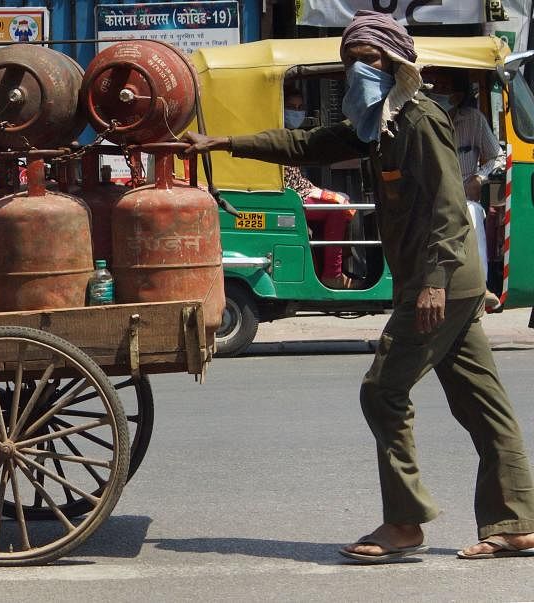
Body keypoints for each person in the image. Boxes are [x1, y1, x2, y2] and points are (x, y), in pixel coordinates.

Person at [182, 11, 534, 562]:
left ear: (395, 63)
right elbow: (309, 144)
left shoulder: (418, 120)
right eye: (351, 63)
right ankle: (516, 522)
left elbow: (447, 207)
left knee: (383, 391)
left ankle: (404, 523)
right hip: (444, 280)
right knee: (483, 403)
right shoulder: (379, 123)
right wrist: (224, 141)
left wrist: (434, 284)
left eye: (367, 60)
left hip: (437, 279)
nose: (357, 72)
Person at [427, 69, 504, 310]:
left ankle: (481, 287)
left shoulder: (474, 120)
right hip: (430, 196)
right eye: (435, 85)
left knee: (471, 214)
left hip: (463, 195)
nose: (437, 91)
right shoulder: (423, 120)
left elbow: (497, 157)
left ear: (458, 95)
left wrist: (479, 179)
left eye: (444, 87)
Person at [283, 90, 361, 290]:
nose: (296, 112)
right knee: (338, 208)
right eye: (292, 107)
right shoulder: (280, 134)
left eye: (300, 108)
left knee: (342, 200)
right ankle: (332, 274)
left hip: (297, 193)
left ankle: (333, 267)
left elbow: (299, 180)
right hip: (289, 198)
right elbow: (291, 183)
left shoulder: (292, 134)